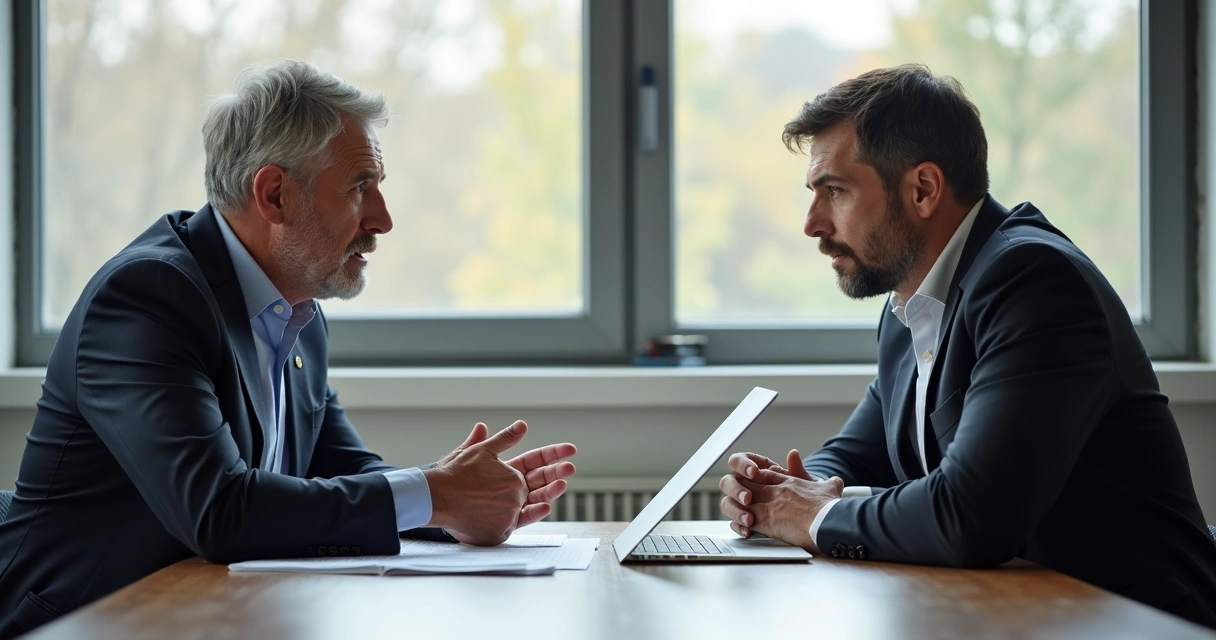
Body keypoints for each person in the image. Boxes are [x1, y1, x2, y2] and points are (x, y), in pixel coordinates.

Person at [0, 59, 577, 637]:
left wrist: (452, 502)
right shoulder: (148, 298)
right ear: (274, 194)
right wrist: (435, 494)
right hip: (82, 623)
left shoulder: (297, 310)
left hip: (212, 617)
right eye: (359, 187)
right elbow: (220, 510)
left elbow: (342, 469)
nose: (383, 219)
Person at [718, 64, 1216, 627]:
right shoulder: (912, 301)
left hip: (1136, 622)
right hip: (1019, 615)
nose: (812, 223)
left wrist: (813, 516)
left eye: (834, 191)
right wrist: (785, 490)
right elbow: (859, 453)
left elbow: (972, 515)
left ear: (923, 189)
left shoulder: (1034, 281)